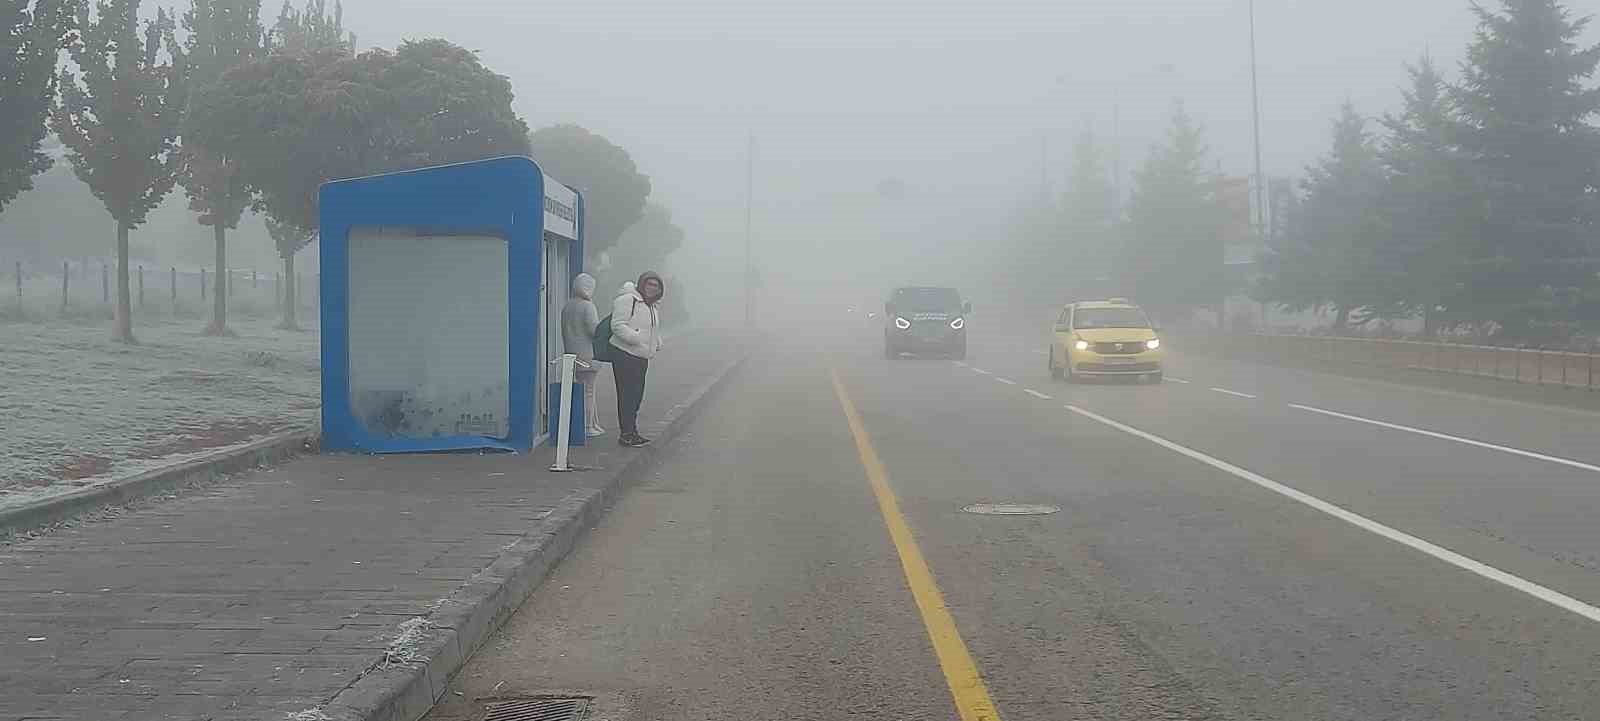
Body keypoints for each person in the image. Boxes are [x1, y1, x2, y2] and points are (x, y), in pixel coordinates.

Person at [609, 271, 664, 447]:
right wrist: (636, 338)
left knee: (636, 396)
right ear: (642, 284)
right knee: (627, 395)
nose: (652, 288)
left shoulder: (652, 306)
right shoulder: (628, 300)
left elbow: (652, 329)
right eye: (649, 284)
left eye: (656, 286)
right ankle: (626, 433)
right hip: (625, 354)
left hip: (642, 356)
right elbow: (617, 325)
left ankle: (632, 431)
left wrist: (656, 342)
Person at [560, 273, 605, 438]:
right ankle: (587, 426)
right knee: (589, 392)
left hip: (572, 354)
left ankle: (592, 423)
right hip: (589, 355)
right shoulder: (588, 306)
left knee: (581, 390)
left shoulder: (567, 306)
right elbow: (594, 331)